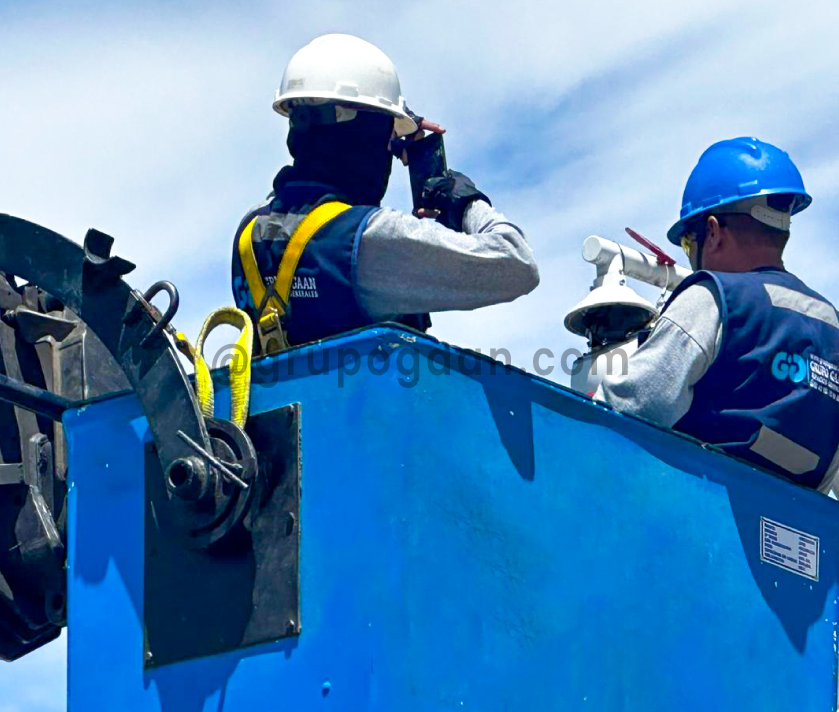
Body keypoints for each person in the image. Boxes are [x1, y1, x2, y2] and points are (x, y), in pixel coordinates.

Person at [231, 33, 538, 354]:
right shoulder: (369, 239)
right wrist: (462, 201)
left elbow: (299, 225)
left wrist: (383, 125)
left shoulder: (249, 233)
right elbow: (517, 263)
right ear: (364, 134)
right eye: (386, 140)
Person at [596, 137, 839, 493]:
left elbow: (630, 404)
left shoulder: (713, 298)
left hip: (692, 520)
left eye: (687, 244)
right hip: (792, 542)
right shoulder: (832, 327)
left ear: (711, 231)